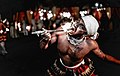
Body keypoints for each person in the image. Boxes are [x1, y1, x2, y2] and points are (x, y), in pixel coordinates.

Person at [38, 15, 120, 76]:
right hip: (60, 68)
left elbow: (104, 57)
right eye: (78, 21)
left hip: (80, 70)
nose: (75, 25)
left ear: (86, 35)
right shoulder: (61, 32)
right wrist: (45, 40)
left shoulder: (90, 44)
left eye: (81, 26)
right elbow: (43, 47)